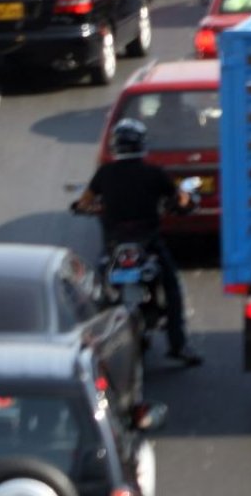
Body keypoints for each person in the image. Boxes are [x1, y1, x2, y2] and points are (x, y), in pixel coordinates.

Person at [73, 120, 203, 364]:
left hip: (115, 244)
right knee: (172, 287)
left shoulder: (104, 173)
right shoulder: (154, 173)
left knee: (97, 289)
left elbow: (84, 203)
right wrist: (185, 201)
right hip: (148, 241)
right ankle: (179, 345)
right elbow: (180, 201)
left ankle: (93, 347)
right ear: (142, 145)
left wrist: (86, 207)